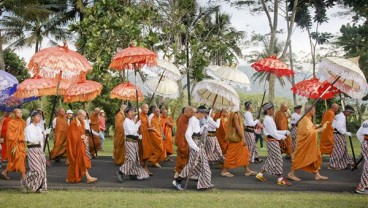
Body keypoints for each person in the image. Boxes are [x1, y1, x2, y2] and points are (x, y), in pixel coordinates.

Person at [172, 106, 212, 190]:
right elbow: (187, 134)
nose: (204, 117)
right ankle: (177, 180)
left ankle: (205, 182)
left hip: (198, 143)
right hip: (195, 145)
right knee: (192, 164)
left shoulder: (196, 120)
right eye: (204, 115)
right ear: (200, 113)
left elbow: (197, 133)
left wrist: (204, 127)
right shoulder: (193, 120)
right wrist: (195, 147)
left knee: (202, 163)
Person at [287, 105, 329, 181]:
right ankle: (291, 174)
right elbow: (307, 133)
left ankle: (317, 175)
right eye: (313, 110)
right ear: (309, 111)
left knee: (315, 157)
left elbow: (311, 129)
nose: (315, 111)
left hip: (310, 143)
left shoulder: (308, 119)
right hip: (304, 143)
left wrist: (319, 126)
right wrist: (321, 129)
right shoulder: (304, 119)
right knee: (299, 158)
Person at [255, 102, 292, 186]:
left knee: (271, 159)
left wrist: (284, 132)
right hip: (272, 141)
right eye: (272, 109)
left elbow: (275, 131)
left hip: (272, 140)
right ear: (268, 110)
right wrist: (282, 137)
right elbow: (273, 134)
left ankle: (260, 174)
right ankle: (280, 179)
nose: (273, 110)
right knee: (278, 159)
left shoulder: (269, 118)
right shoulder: (268, 119)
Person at [116, 106, 149, 181]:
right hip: (130, 141)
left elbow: (134, 131)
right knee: (132, 159)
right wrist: (137, 125)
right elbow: (131, 132)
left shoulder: (131, 121)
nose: (132, 113)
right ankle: (121, 171)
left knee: (136, 158)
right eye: (130, 112)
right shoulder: (126, 121)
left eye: (133, 111)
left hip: (134, 142)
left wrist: (137, 125)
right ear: (127, 114)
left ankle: (133, 173)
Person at [221, 110, 256, 177]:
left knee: (245, 152)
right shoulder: (235, 114)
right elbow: (237, 127)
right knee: (231, 155)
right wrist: (243, 137)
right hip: (236, 139)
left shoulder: (233, 113)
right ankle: (224, 171)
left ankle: (247, 170)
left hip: (238, 139)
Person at [66, 109, 97, 183]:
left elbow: (82, 132)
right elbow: (71, 136)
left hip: (81, 145)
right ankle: (88, 177)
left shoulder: (81, 122)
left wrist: (83, 137)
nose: (84, 118)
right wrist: (81, 137)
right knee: (78, 161)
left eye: (85, 116)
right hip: (75, 146)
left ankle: (72, 177)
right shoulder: (73, 123)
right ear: (79, 115)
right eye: (83, 116)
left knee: (81, 161)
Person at [21, 110, 48, 193]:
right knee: (36, 170)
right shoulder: (29, 128)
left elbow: (41, 140)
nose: (39, 118)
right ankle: (24, 181)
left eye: (40, 116)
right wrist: (42, 135)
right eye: (37, 116)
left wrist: (44, 135)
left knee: (42, 170)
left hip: (39, 150)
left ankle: (39, 187)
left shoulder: (39, 128)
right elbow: (31, 140)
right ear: (32, 118)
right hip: (32, 149)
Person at [1, 109, 26, 181]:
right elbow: (10, 136)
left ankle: (5, 172)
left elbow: (24, 132)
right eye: (18, 113)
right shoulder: (11, 123)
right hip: (14, 144)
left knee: (16, 160)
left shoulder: (23, 122)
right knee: (19, 158)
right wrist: (20, 138)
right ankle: (23, 176)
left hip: (21, 144)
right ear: (14, 114)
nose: (20, 114)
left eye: (21, 113)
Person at [328, 105, 355, 170]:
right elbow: (339, 127)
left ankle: (347, 162)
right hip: (338, 134)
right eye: (350, 113)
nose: (350, 114)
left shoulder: (340, 116)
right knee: (339, 150)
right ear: (346, 111)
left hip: (339, 134)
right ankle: (332, 165)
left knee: (344, 149)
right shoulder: (341, 117)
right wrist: (346, 133)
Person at [173, 106, 194, 179]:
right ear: (187, 111)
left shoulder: (185, 118)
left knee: (185, 158)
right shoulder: (183, 118)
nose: (193, 113)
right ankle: (178, 172)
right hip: (183, 141)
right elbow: (183, 131)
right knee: (182, 157)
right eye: (192, 112)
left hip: (185, 140)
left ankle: (183, 172)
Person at [139, 104, 153, 175]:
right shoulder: (139, 116)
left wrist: (151, 128)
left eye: (147, 108)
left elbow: (148, 126)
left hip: (147, 137)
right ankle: (141, 168)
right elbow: (137, 127)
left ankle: (145, 167)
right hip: (141, 137)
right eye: (145, 108)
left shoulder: (147, 116)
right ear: (141, 108)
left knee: (148, 151)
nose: (147, 110)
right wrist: (148, 129)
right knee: (141, 152)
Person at [355, 119, 368, 194]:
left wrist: (363, 142)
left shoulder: (366, 122)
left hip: (365, 142)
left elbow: (358, 134)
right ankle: (361, 186)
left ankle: (365, 183)